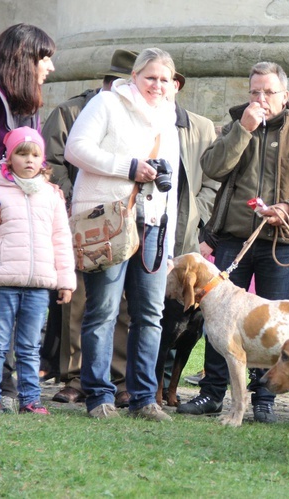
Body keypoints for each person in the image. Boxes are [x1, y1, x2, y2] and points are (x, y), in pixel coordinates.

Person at [179, 61, 289, 423]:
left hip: (282, 241)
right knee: (219, 321)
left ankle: (264, 397)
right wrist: (242, 132)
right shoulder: (236, 126)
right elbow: (213, 168)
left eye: (268, 92)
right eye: (254, 92)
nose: (261, 99)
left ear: (285, 96)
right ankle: (212, 393)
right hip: (234, 239)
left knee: (276, 327)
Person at [64, 48, 179, 421]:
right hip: (110, 222)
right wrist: (128, 167)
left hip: (153, 226)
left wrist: (170, 241)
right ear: (134, 77)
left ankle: (144, 397)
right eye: (150, 77)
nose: (157, 85)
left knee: (150, 314)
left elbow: (171, 187)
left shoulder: (168, 116)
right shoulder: (107, 104)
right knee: (104, 310)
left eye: (164, 79)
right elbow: (75, 149)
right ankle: (99, 395)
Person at [42, 49, 139, 407]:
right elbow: (51, 164)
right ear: (107, 82)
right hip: (79, 218)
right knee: (79, 300)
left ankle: (117, 376)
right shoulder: (69, 111)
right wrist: (81, 207)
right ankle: (73, 376)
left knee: (123, 302)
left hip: (126, 219)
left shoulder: (143, 118)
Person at [0, 23, 56, 412]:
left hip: (6, 222)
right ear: (25, 59)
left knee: (3, 306)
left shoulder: (26, 108)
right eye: (45, 59)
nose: (49, 68)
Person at [0, 127, 75, 414]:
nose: (29, 159)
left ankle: (30, 399)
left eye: (35, 154)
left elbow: (61, 240)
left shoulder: (52, 195)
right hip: (2, 284)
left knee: (29, 347)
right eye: (22, 153)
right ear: (9, 156)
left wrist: (65, 280)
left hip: (39, 285)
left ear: (42, 160)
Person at [157, 70, 219, 394]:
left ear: (176, 85)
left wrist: (198, 213)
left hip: (185, 233)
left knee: (180, 314)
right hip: (146, 226)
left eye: (165, 80)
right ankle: (132, 383)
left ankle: (167, 386)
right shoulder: (137, 121)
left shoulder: (202, 127)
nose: (158, 86)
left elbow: (213, 180)